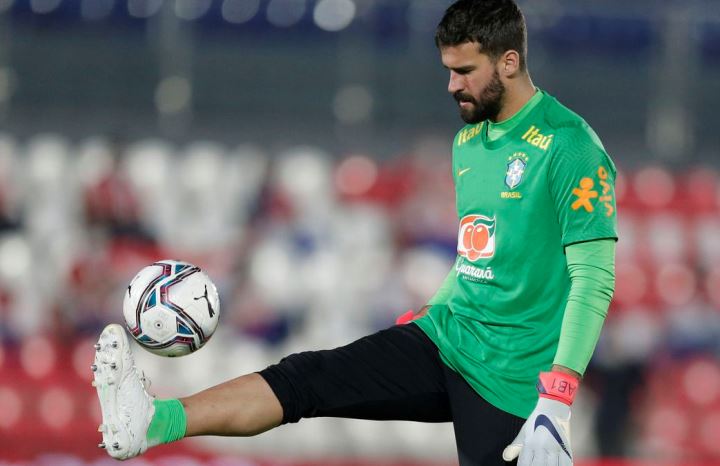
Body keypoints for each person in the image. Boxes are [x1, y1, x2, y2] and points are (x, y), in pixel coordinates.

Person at [92, 1, 617, 464]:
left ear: (509, 61)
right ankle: (153, 421)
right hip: (448, 342)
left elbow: (593, 279)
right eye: (448, 70)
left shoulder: (570, 146)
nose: (452, 84)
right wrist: (434, 311)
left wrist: (558, 394)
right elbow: (477, 254)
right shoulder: (471, 142)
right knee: (306, 378)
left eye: (464, 71)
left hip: (514, 383)